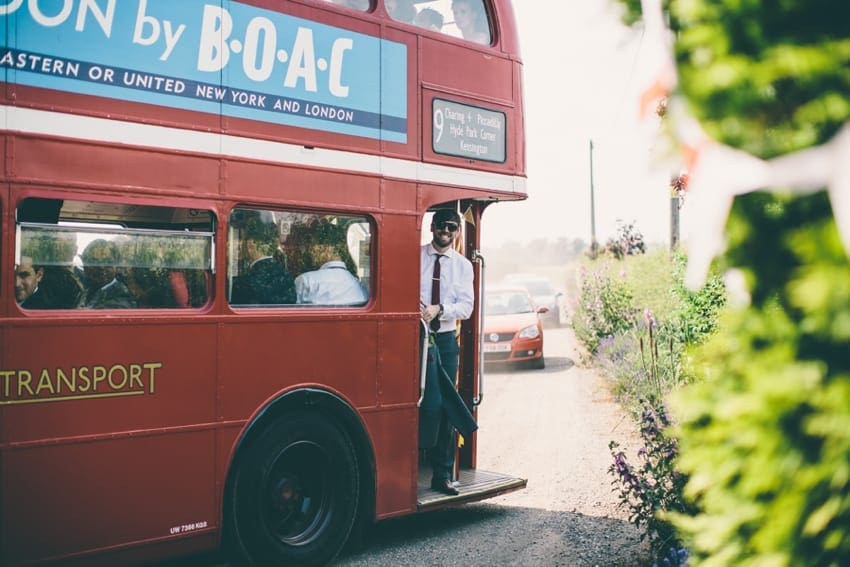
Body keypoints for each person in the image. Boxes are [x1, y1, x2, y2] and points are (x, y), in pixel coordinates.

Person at [419, 208, 475, 495]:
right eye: (442, 225)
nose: (446, 231)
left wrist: (441, 309)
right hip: (415, 337)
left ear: (457, 232)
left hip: (444, 340)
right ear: (432, 227)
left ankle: (441, 475)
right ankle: (408, 468)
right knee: (417, 402)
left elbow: (466, 307)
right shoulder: (415, 256)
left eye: (452, 227)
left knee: (445, 405)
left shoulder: (464, 266)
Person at [293, 220, 368, 305]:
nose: (311, 252)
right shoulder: (359, 286)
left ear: (327, 248)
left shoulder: (306, 281)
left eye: (314, 247)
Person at [230, 212, 295, 305]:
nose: (240, 245)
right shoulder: (287, 277)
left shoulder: (244, 283)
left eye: (244, 240)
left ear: (251, 244)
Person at [81, 239, 137, 309]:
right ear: (85, 266)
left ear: (116, 266)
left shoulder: (120, 297)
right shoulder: (87, 290)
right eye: (94, 261)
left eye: (107, 262)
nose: (101, 267)